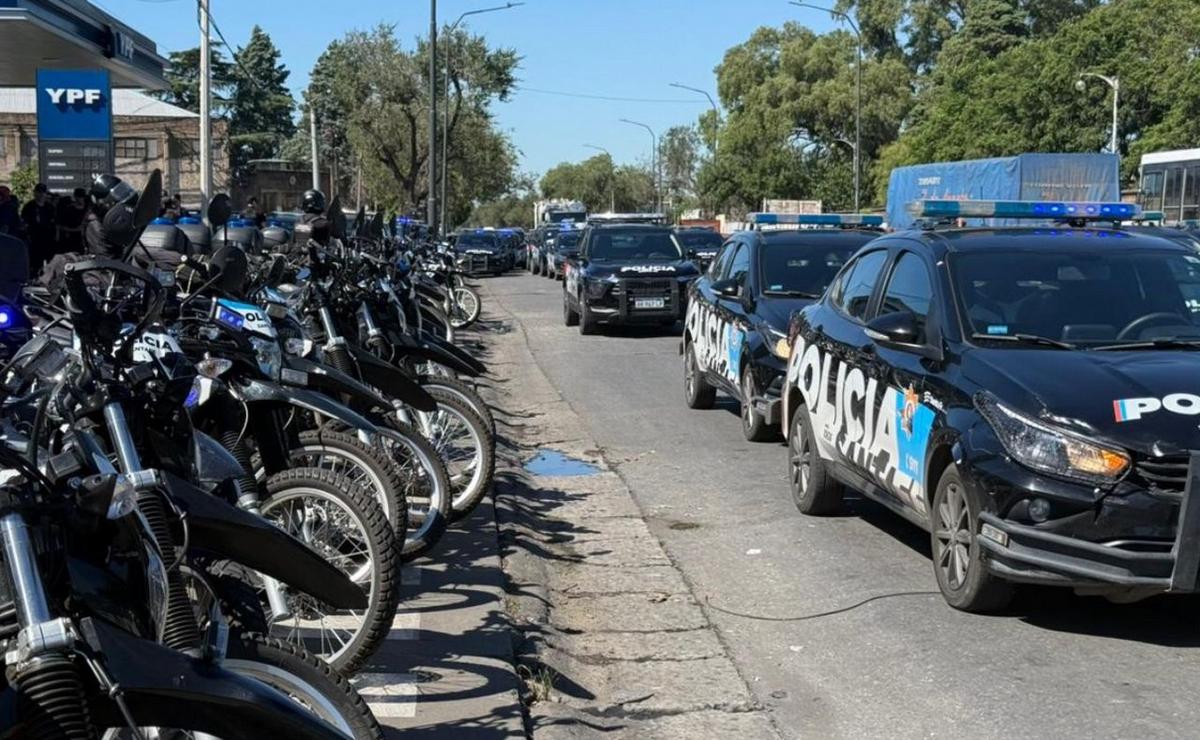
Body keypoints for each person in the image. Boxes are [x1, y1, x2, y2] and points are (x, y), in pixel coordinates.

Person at [20, 183, 57, 270]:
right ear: (35, 193)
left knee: (50, 263)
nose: (41, 195)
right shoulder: (29, 207)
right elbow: (24, 222)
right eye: (39, 192)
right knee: (36, 263)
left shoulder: (49, 207)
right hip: (35, 239)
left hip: (48, 239)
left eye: (43, 192)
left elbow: (54, 222)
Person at [56, 187, 90, 255]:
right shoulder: (69, 210)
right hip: (71, 241)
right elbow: (61, 226)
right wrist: (74, 230)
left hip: (85, 241)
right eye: (79, 197)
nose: (81, 199)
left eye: (82, 197)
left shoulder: (87, 209)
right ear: (75, 197)